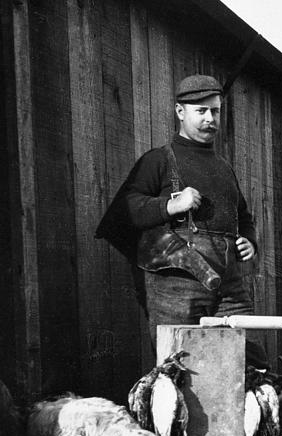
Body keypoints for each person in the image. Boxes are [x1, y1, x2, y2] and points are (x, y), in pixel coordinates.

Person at [97, 74, 267, 367]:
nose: (210, 119)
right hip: (176, 286)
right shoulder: (159, 160)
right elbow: (121, 212)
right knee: (180, 370)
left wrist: (249, 240)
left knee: (248, 363)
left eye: (215, 111)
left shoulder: (224, 168)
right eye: (200, 111)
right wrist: (171, 205)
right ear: (180, 112)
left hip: (229, 287)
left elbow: (243, 215)